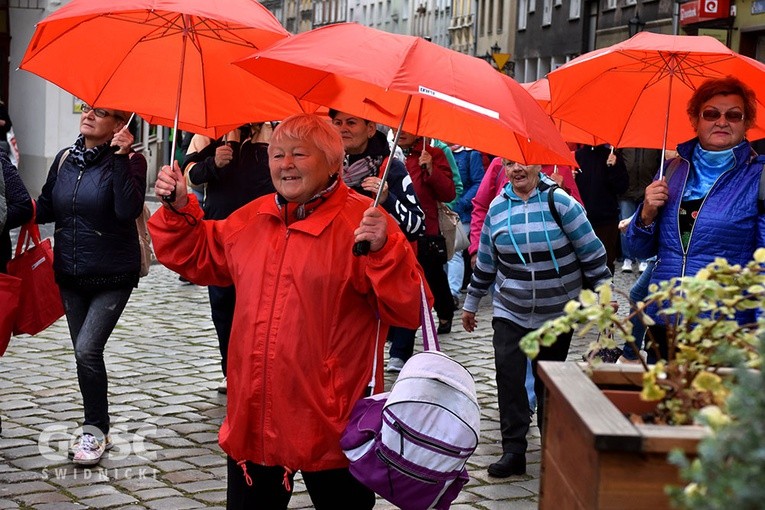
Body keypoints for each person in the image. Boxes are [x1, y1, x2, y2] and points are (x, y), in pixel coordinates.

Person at [149, 113, 424, 509]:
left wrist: (384, 252)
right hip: (254, 418)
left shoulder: (364, 224)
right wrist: (178, 208)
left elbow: (409, 309)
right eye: (277, 155)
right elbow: (195, 252)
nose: (285, 164)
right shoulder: (254, 217)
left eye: (299, 154)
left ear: (333, 163)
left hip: (331, 423)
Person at [462, 160, 611, 478]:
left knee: (548, 380)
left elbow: (592, 253)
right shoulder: (497, 209)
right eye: (509, 163)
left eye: (523, 163)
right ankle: (513, 450)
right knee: (509, 376)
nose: (516, 169)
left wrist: (605, 300)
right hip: (510, 308)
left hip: (557, 310)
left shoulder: (561, 202)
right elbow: (487, 262)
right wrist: (471, 303)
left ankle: (552, 450)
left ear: (537, 165)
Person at [35, 104, 147, 466]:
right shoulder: (65, 158)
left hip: (113, 274)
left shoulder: (133, 162)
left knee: (86, 350)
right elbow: (45, 208)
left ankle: (94, 431)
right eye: (86, 108)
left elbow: (126, 210)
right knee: (86, 357)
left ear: (119, 124)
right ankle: (98, 426)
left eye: (100, 112)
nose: (88, 115)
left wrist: (120, 156)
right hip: (70, 274)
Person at [627, 76, 765, 362]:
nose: (722, 121)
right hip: (664, 319)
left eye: (734, 115)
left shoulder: (758, 178)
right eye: (711, 113)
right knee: (661, 404)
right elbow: (638, 252)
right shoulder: (672, 171)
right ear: (695, 119)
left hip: (722, 325)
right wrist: (646, 213)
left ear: (747, 122)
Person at [329, 110, 426, 374]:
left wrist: (388, 199)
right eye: (337, 122)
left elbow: (417, 225)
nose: (343, 128)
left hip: (381, 275)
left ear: (371, 128)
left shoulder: (390, 168)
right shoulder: (328, 168)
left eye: (351, 122)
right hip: (339, 275)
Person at [183, 123, 275, 394]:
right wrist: (213, 163)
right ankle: (230, 370)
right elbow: (191, 175)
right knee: (223, 306)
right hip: (220, 232)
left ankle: (258, 370)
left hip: (263, 232)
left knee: (258, 305)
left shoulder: (275, 132)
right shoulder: (209, 133)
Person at [395, 131, 456, 342]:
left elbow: (449, 193)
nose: (400, 132)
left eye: (406, 129)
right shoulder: (390, 155)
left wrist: (431, 169)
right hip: (398, 228)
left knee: (433, 276)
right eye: (396, 128)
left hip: (426, 229)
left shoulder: (433, 153)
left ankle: (445, 310)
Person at [575, 144, 629, 275]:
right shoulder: (577, 156)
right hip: (581, 218)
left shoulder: (612, 155)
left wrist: (614, 168)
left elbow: (622, 187)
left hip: (606, 219)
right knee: (581, 262)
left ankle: (605, 293)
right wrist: (571, 178)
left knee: (606, 260)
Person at [446, 144, 484, 310]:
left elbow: (478, 182)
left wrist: (461, 203)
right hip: (442, 211)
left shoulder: (470, 154)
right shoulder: (437, 152)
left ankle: (452, 293)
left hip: (463, 212)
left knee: (455, 250)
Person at [618, 148, 661, 273]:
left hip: (646, 191)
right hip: (626, 192)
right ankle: (627, 258)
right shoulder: (624, 148)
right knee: (625, 227)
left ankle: (643, 259)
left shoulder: (654, 147)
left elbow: (658, 166)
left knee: (644, 225)